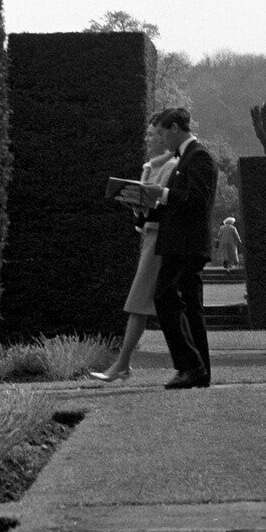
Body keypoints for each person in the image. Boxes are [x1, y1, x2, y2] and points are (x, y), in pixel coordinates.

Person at [89, 112, 177, 383]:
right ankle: (128, 364)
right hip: (151, 236)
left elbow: (163, 203)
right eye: (150, 134)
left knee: (138, 303)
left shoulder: (172, 165)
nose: (150, 138)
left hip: (160, 239)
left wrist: (144, 202)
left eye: (154, 134)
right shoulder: (152, 166)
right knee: (155, 304)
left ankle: (123, 364)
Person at [141, 107, 218, 389]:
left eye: (162, 133)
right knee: (191, 309)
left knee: (165, 298)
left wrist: (160, 193)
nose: (161, 139)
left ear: (174, 128)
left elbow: (196, 202)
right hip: (181, 244)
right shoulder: (186, 158)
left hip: (187, 246)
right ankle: (199, 372)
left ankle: (190, 366)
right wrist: (142, 210)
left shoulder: (199, 157)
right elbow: (176, 207)